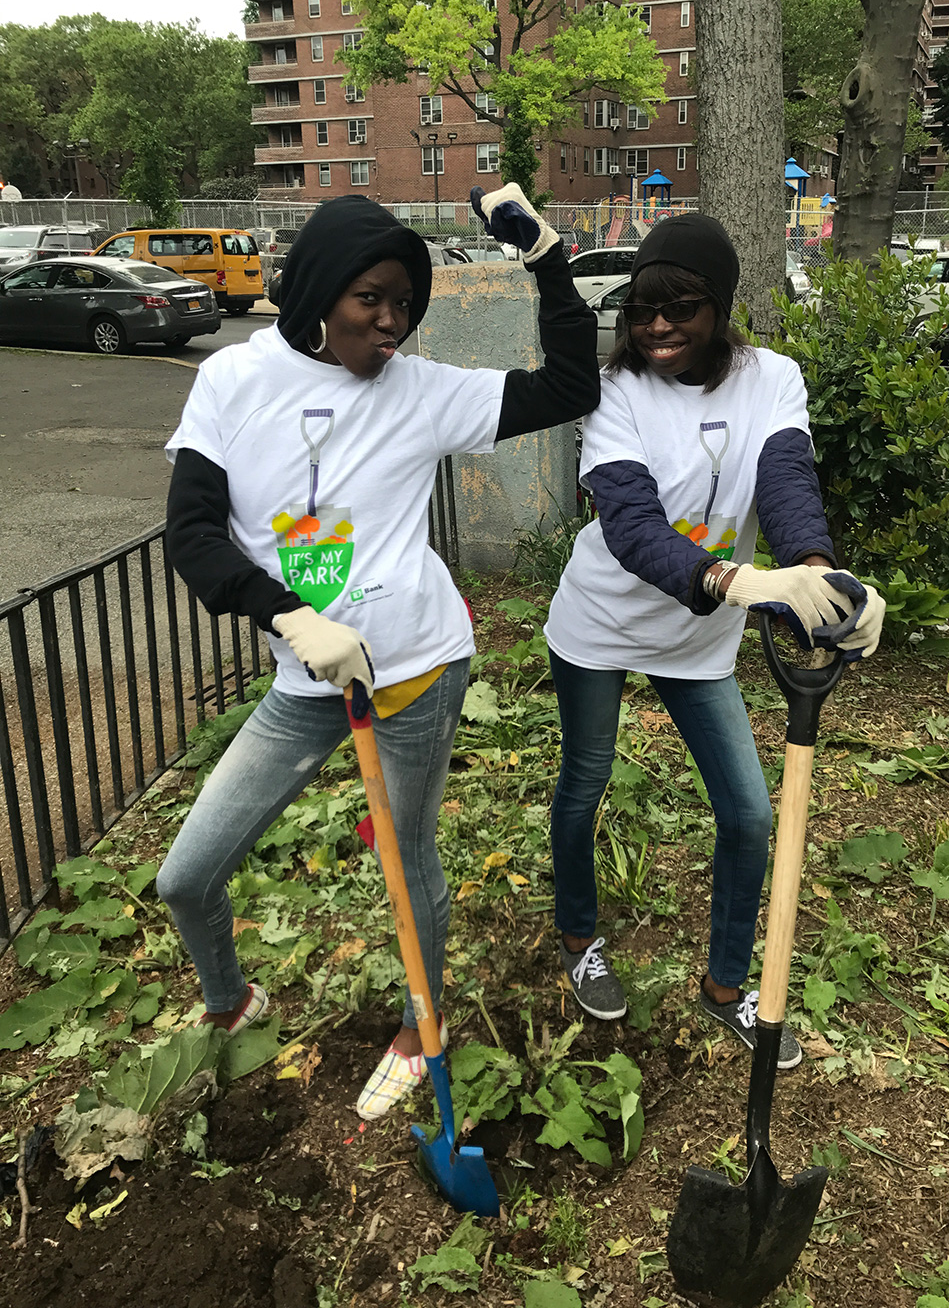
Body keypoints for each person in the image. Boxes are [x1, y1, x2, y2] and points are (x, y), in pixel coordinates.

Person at [159, 185, 599, 1119]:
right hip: (307, 673)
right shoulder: (233, 382)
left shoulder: (422, 392)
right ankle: (230, 1003)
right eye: (371, 299)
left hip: (414, 669)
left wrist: (547, 261)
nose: (392, 321)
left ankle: (418, 1025)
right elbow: (192, 535)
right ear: (321, 290)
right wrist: (289, 617)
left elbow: (571, 387)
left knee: (406, 857)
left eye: (404, 302)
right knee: (186, 875)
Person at [543, 215, 885, 1069]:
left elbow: (787, 483)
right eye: (642, 311)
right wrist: (739, 581)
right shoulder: (616, 390)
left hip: (696, 642)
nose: (657, 327)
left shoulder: (772, 379)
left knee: (749, 814)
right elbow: (630, 524)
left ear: (721, 308)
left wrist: (819, 579)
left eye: (681, 308)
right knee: (585, 784)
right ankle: (578, 937)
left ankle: (727, 986)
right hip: (601, 622)